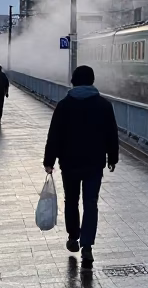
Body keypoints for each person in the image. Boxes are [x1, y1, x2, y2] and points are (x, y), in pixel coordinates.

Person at [43, 65, 118, 263]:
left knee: (71, 200)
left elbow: (54, 136)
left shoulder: (64, 105)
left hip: (70, 162)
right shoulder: (104, 105)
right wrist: (113, 157)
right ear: (92, 81)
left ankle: (73, 237)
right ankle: (87, 245)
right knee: (90, 202)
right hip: (94, 162)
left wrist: (49, 161)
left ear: (73, 81)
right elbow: (111, 134)